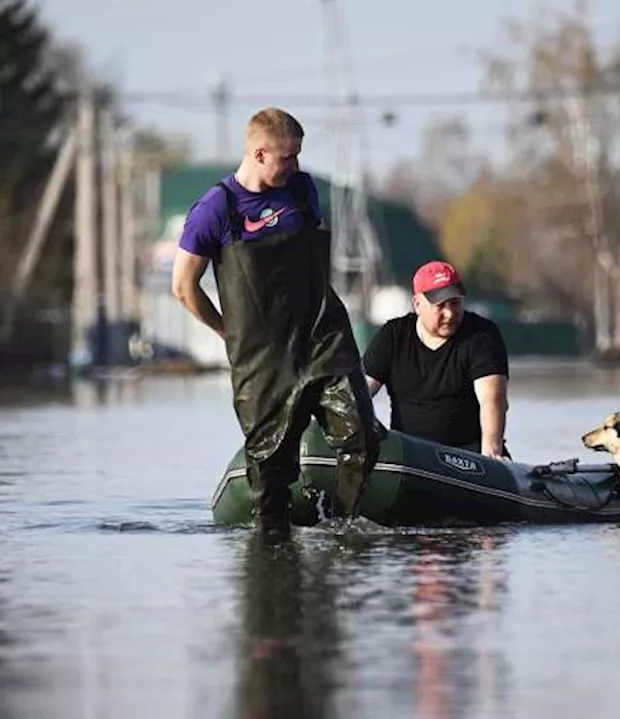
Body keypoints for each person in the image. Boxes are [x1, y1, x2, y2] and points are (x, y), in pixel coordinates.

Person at [171, 107, 380, 535]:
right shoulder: (215, 209)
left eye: (299, 155)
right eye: (289, 157)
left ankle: (340, 529)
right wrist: (225, 330)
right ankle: (272, 550)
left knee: (362, 436)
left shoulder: (302, 190)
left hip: (322, 337)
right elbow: (183, 287)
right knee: (269, 470)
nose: (297, 165)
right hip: (262, 357)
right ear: (260, 154)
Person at [362, 261, 511, 459]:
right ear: (417, 304)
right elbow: (360, 393)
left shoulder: (482, 334)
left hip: (469, 454)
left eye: (455, 303)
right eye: (440, 305)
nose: (449, 314)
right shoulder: (393, 336)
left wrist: (491, 456)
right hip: (409, 455)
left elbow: (492, 399)